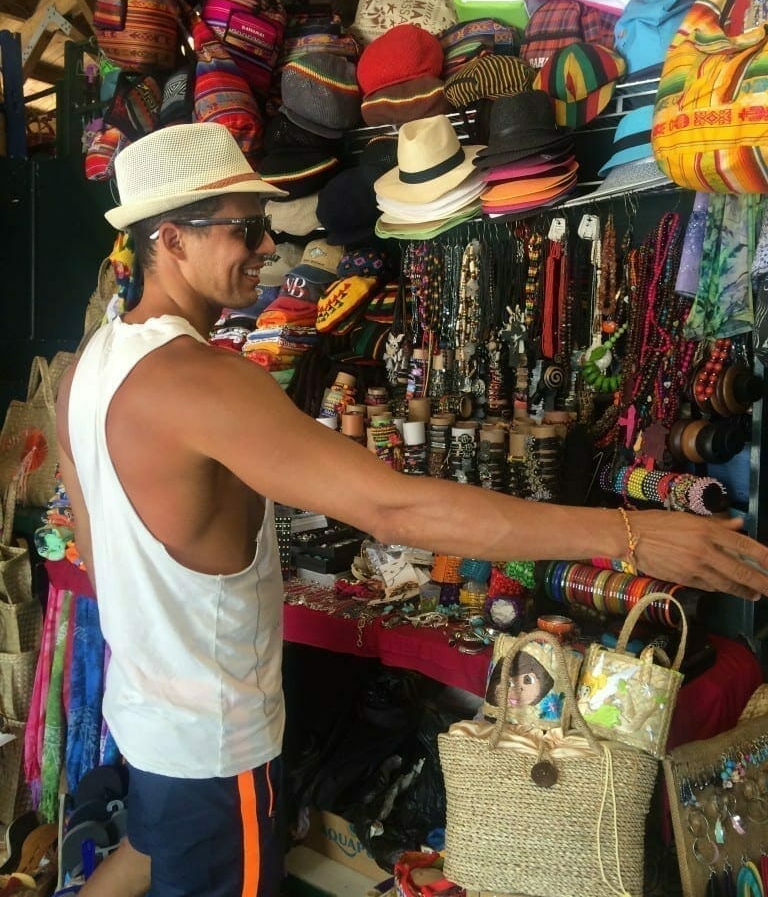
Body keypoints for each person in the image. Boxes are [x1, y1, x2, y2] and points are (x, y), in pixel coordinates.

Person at [56, 122, 768, 897]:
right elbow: (395, 510)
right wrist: (629, 533)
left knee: (151, 852)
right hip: (212, 739)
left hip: (149, 713)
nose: (266, 248)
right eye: (247, 228)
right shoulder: (203, 380)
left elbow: (99, 554)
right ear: (172, 239)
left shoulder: (91, 365)